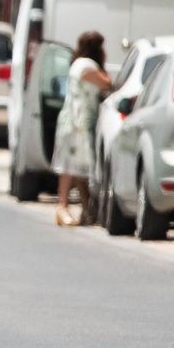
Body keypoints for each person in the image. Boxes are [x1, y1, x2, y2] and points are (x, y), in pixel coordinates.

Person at [52, 30, 112, 227]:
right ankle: (62, 207)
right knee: (69, 167)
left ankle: (86, 209)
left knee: (78, 167)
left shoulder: (79, 64)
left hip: (78, 123)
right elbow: (107, 83)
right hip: (76, 124)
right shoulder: (86, 66)